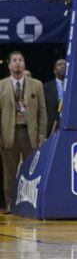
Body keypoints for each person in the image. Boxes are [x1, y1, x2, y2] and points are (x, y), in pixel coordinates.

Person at [0, 52, 46, 212]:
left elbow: (42, 111)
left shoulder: (36, 84)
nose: (17, 63)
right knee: (9, 172)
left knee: (32, 171)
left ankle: (30, 203)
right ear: (9, 65)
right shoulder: (1, 85)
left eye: (20, 60)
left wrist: (41, 135)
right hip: (8, 134)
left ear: (24, 63)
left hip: (29, 133)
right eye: (14, 60)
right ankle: (10, 203)